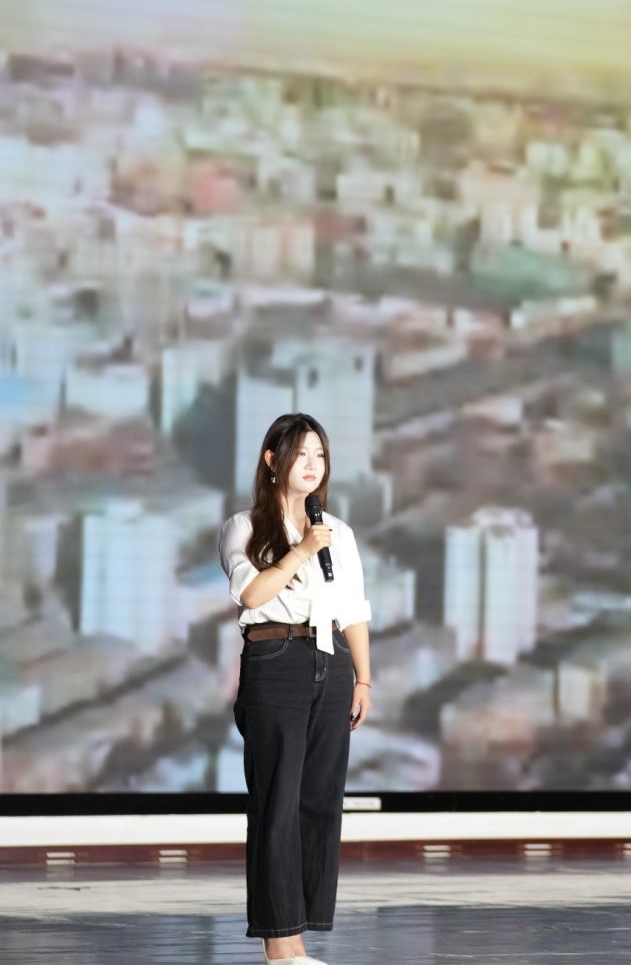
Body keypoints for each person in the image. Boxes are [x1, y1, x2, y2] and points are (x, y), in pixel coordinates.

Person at [219, 413, 374, 965]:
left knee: (320, 801)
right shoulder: (244, 527)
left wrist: (363, 677)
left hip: (331, 662)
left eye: (320, 455)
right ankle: (279, 943)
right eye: (301, 454)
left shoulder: (339, 532)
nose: (313, 465)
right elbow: (253, 594)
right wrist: (303, 549)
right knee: (277, 801)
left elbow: (354, 609)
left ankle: (298, 936)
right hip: (275, 659)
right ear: (272, 460)